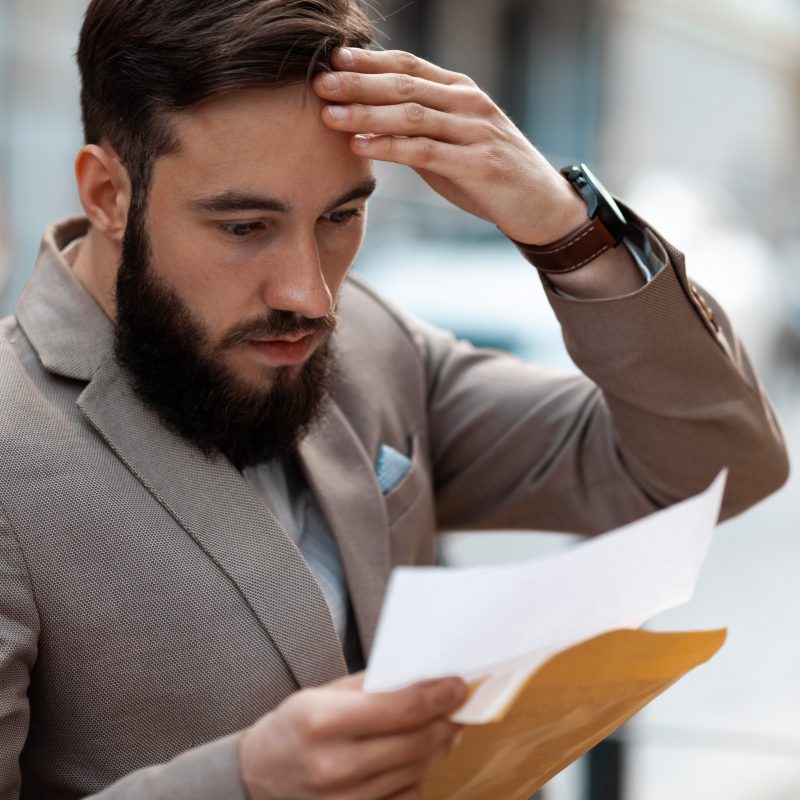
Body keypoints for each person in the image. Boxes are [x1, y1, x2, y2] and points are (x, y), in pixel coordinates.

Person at [0, 0, 788, 798]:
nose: (310, 296)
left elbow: (715, 468)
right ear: (107, 193)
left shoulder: (370, 343)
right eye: (244, 226)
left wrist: (566, 229)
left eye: (342, 216)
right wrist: (242, 784)